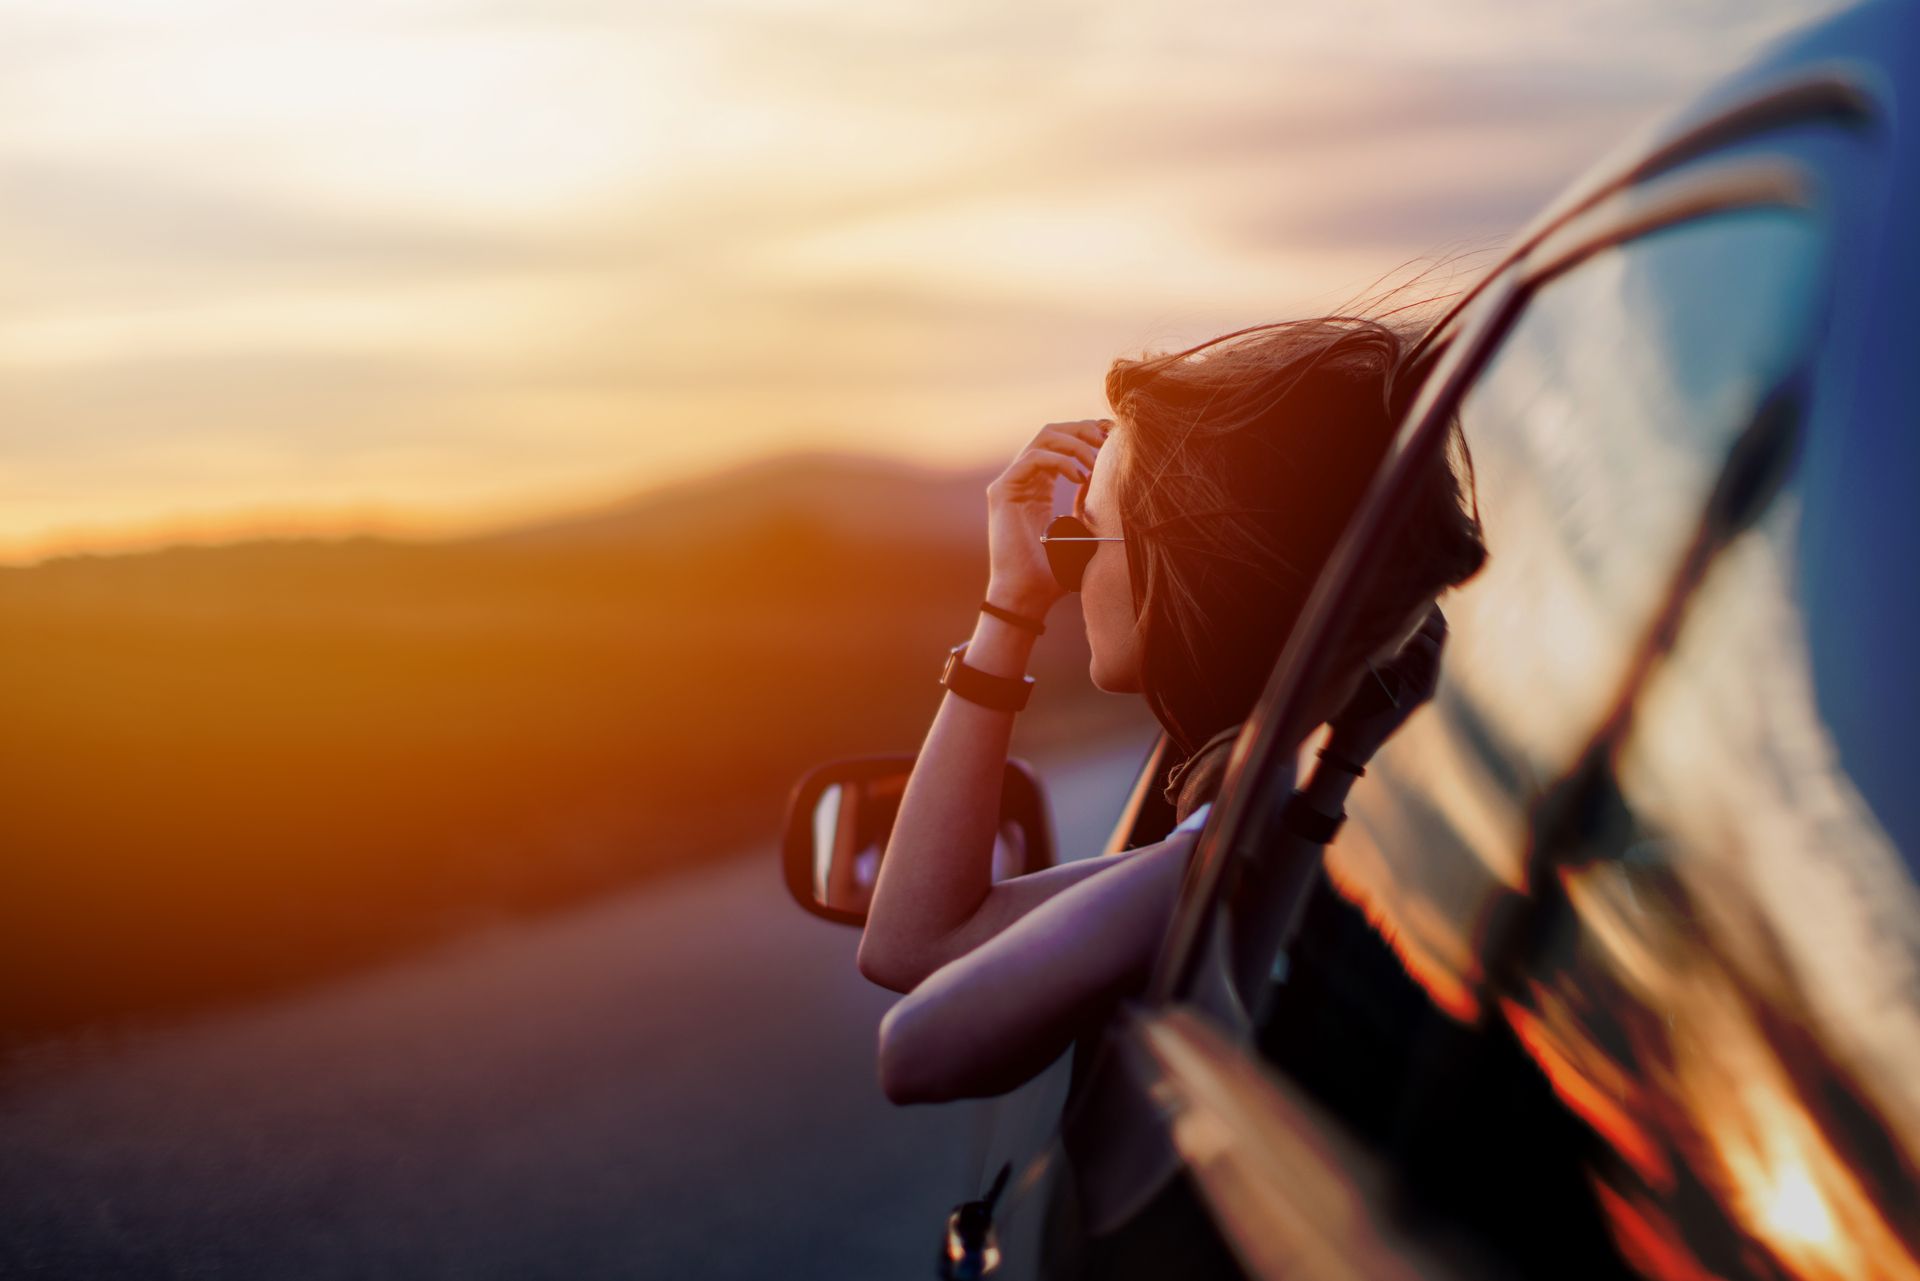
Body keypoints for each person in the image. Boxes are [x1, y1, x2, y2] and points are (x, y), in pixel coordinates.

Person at [856, 316, 1487, 1263]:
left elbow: (915, 1034)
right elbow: (916, 942)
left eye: (1083, 542)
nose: (1066, 578)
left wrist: (1004, 610)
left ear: (1174, 567)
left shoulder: (1217, 852)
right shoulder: (1278, 812)